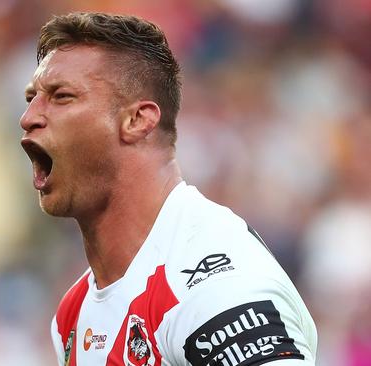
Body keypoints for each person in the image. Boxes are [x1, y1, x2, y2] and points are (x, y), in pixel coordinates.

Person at [19, 12, 318, 366]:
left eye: (61, 97)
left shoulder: (211, 285)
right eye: (31, 98)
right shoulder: (74, 312)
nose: (29, 117)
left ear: (137, 120)